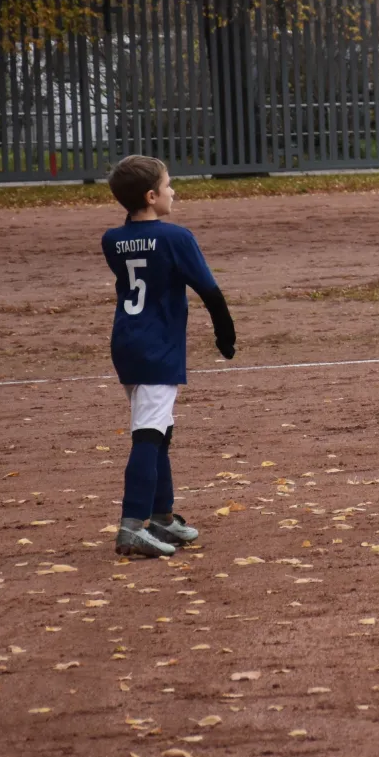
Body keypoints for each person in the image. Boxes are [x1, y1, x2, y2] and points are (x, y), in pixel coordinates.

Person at [102, 155, 236, 558]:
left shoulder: (112, 239)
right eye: (167, 185)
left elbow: (137, 252)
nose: (172, 191)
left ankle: (161, 515)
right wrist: (225, 332)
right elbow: (209, 290)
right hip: (158, 346)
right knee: (148, 434)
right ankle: (132, 525)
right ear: (150, 196)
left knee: (159, 429)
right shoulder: (176, 238)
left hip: (127, 342)